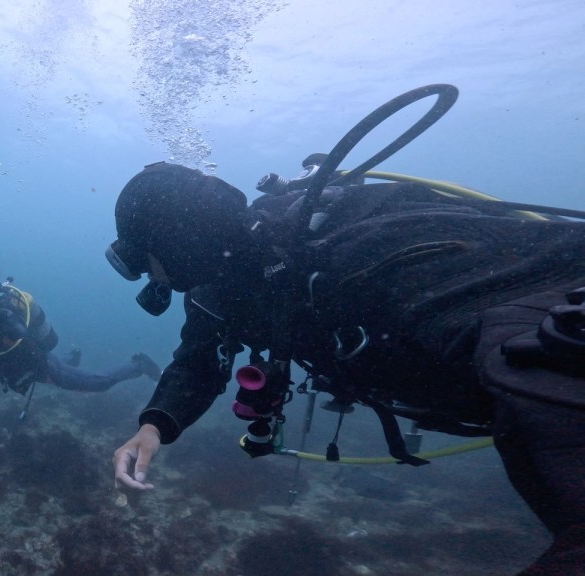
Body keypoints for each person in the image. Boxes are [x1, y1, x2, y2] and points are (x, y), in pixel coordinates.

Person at [104, 88, 585, 575]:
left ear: (179, 245)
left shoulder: (349, 240)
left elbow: (524, 327)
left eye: (144, 261)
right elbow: (198, 362)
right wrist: (154, 428)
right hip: (487, 402)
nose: (149, 279)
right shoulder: (223, 286)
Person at [0, 263, 160, 408]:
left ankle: (138, 364)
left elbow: (17, 330)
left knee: (96, 384)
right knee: (63, 366)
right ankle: (70, 359)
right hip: (22, 366)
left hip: (36, 364)